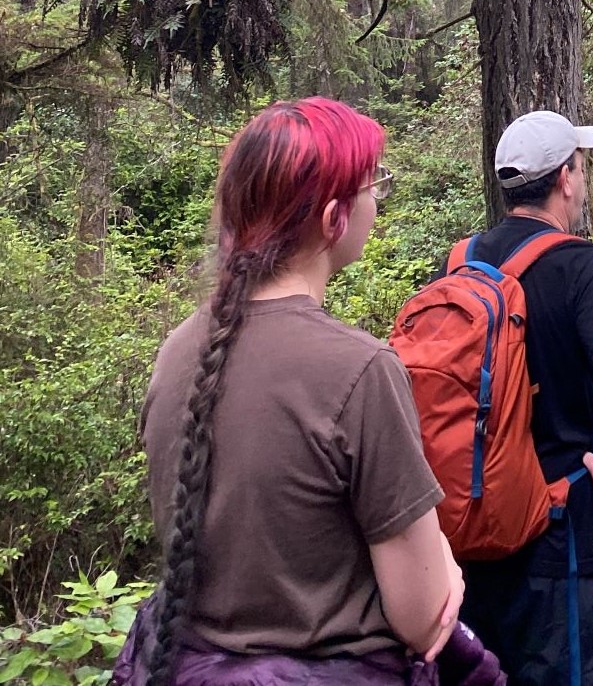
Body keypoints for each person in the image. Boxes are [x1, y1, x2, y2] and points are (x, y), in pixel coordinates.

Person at [118, 98, 473, 686]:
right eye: (373, 186)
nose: (376, 201)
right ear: (335, 216)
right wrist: (449, 576)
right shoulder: (362, 369)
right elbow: (421, 618)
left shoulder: (178, 350)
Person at [457, 110, 593, 686]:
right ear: (566, 179)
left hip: (474, 525)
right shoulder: (579, 264)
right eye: (580, 165)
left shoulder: (461, 262)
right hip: (565, 534)